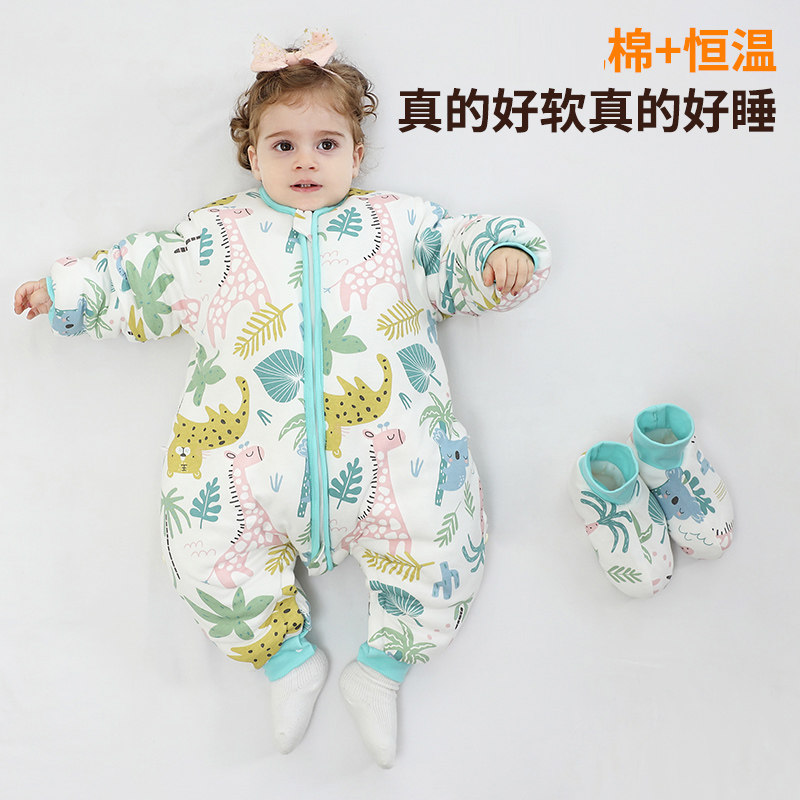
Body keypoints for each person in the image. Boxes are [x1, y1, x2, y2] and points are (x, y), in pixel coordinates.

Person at [13, 30, 552, 768]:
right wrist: (71, 290)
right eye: (284, 145)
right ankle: (285, 660)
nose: (306, 161)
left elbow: (456, 253)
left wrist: (503, 254)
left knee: (446, 538)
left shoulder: (401, 227)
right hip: (241, 469)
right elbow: (143, 277)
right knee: (202, 547)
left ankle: (383, 667)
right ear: (252, 155)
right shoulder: (214, 239)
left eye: (327, 144)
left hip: (397, 468)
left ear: (356, 156)